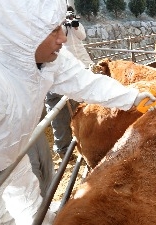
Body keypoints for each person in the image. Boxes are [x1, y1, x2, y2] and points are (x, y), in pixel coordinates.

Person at [0, 0, 156, 224]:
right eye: (52, 30)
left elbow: (84, 82)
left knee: (31, 204)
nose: (63, 37)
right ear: (23, 33)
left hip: (13, 154)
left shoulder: (45, 59)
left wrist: (132, 98)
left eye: (61, 26)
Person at [45, 6, 95, 160]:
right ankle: (63, 149)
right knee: (60, 113)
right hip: (63, 71)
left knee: (83, 107)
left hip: (82, 65)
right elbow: (61, 40)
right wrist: (63, 26)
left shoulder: (74, 25)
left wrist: (74, 24)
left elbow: (82, 36)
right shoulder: (53, 29)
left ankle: (84, 140)